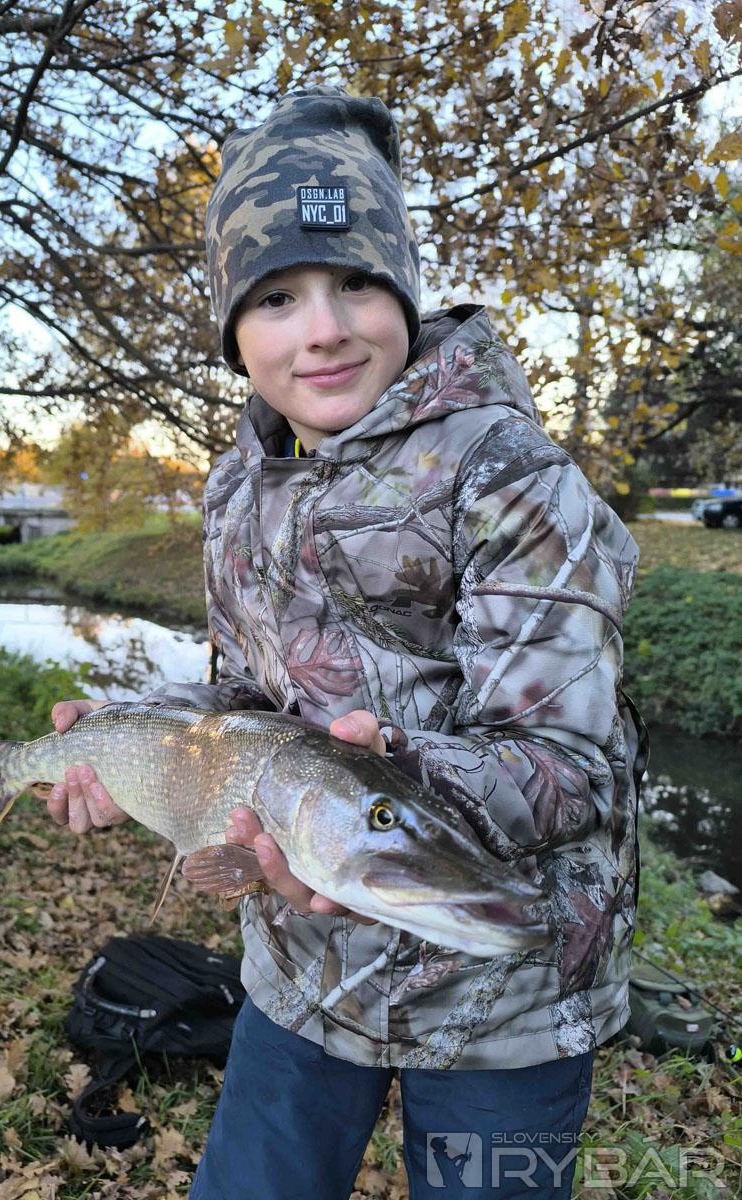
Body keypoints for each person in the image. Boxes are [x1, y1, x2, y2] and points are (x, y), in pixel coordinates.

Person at [44, 87, 646, 1198]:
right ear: (235, 332)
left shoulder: (511, 475)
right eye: (277, 297)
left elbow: (569, 766)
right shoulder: (236, 488)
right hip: (302, 971)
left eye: (357, 283)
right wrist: (142, 738)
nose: (322, 328)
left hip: (500, 995)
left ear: (405, 292)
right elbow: (248, 699)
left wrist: (374, 776)